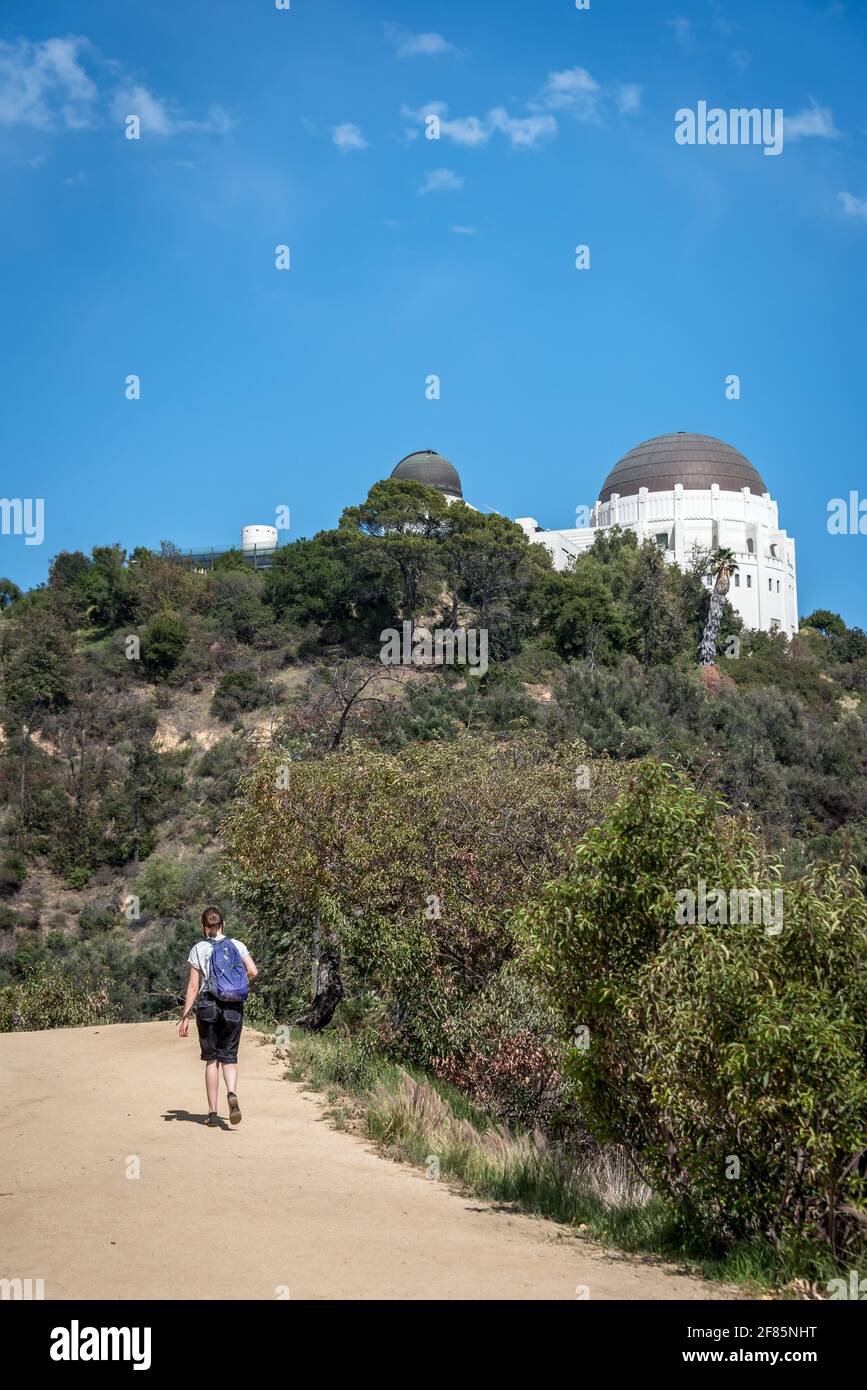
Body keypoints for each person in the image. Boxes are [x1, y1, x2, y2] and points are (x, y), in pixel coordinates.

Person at [179, 907, 259, 1127]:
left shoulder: (199, 948)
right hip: (233, 1006)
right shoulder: (237, 945)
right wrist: (236, 985)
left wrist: (185, 1017)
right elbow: (253, 971)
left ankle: (213, 1114)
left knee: (211, 1060)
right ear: (223, 924)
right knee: (229, 1058)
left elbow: (193, 986)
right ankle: (231, 1092)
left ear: (204, 927)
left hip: (208, 1006)